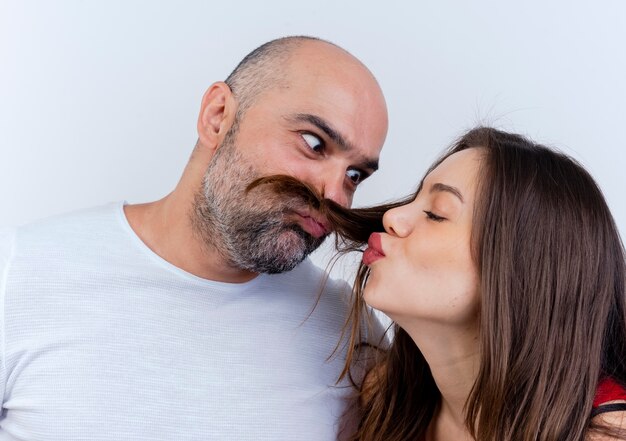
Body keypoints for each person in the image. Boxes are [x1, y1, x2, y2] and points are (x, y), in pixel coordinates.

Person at [0, 36, 388, 440]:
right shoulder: (18, 273)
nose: (332, 195)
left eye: (354, 175)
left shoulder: (351, 331)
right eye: (313, 143)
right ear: (218, 116)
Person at [264, 127, 625, 440]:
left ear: (520, 271)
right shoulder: (382, 400)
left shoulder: (606, 431)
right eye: (414, 198)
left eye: (436, 213)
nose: (391, 217)